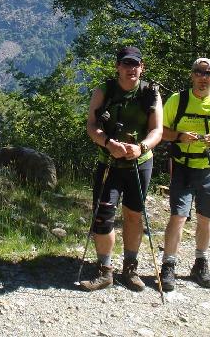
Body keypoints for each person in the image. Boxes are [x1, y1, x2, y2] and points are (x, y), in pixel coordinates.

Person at [80, 46, 163, 291]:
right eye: (126, 64)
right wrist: (108, 143)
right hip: (109, 162)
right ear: (118, 67)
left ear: (142, 67)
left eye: (135, 64)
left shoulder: (151, 94)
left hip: (139, 163)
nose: (131, 69)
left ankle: (130, 268)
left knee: (134, 215)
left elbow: (157, 130)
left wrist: (142, 148)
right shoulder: (104, 91)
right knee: (103, 216)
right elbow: (91, 126)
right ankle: (105, 270)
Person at [159, 57, 210, 291]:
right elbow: (161, 131)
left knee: (206, 218)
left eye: (208, 73)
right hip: (182, 166)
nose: (203, 77)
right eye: (199, 72)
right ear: (192, 75)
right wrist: (180, 136)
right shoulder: (178, 100)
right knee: (178, 217)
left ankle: (200, 263)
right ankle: (168, 265)